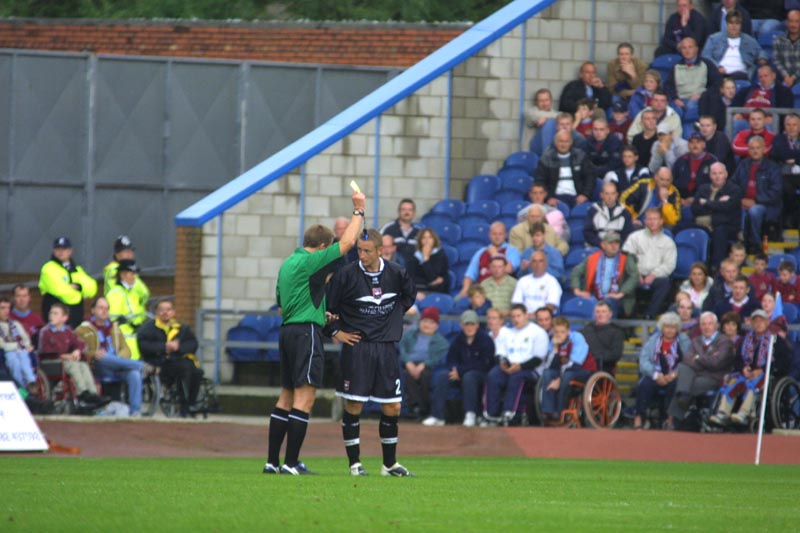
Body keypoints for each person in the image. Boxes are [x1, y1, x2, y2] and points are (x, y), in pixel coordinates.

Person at [258, 189, 365, 475]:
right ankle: (292, 463)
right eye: (325, 252)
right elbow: (348, 242)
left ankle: (272, 461)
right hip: (307, 333)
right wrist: (359, 210)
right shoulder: (309, 261)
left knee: (286, 396)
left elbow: (283, 304)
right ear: (320, 247)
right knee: (305, 398)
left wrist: (319, 313)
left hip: (288, 332)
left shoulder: (287, 265)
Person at [327, 228, 416, 477]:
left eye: (367, 251)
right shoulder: (346, 275)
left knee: (392, 408)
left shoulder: (397, 272)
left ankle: (389, 465)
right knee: (354, 404)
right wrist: (336, 332)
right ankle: (355, 464)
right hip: (358, 348)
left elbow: (409, 295)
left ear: (381, 251)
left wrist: (392, 318)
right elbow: (326, 308)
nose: (362, 254)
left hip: (386, 348)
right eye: (359, 250)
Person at [709, 309, 790, 426]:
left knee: (756, 382)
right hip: (746, 374)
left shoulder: (775, 340)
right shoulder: (745, 339)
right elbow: (737, 360)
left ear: (767, 322)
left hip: (768, 374)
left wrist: (763, 369)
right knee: (733, 380)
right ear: (751, 324)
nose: (758, 324)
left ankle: (744, 413)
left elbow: (783, 362)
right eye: (755, 321)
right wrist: (743, 368)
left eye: (761, 321)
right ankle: (723, 413)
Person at [423, 310, 495, 427]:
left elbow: (484, 363)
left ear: (477, 325)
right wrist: (454, 370)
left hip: (480, 375)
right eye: (467, 324)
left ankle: (470, 414)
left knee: (469, 377)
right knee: (442, 375)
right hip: (459, 373)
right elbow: (451, 359)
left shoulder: (486, 340)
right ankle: (437, 416)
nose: (469, 327)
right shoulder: (458, 340)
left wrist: (460, 371)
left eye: (472, 324)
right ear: (461, 325)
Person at [76, 296, 145, 417]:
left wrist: (118, 358)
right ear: (93, 310)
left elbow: (126, 350)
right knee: (104, 357)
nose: (104, 311)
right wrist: (93, 353)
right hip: (97, 366)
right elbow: (79, 350)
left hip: (117, 366)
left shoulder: (115, 328)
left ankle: (135, 412)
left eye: (107, 308)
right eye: (101, 308)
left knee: (134, 374)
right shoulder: (83, 329)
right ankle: (142, 366)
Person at [483, 304, 549, 425]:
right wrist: (502, 362)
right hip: (509, 367)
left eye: (518, 316)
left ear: (526, 315)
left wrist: (520, 367)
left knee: (517, 376)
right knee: (494, 374)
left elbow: (538, 358)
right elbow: (500, 352)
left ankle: (509, 413)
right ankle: (490, 414)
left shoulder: (538, 332)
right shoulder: (508, 332)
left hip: (531, 371)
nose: (515, 319)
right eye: (513, 316)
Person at [137, 299, 203, 418]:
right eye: (161, 310)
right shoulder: (147, 329)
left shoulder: (182, 328)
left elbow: (193, 343)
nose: (165, 312)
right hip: (160, 363)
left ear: (173, 312)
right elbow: (144, 345)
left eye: (168, 310)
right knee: (184, 369)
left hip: (179, 360)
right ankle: (184, 405)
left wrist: (178, 347)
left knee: (197, 372)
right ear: (156, 312)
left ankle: (191, 403)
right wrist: (164, 347)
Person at [668, 311, 735, 423]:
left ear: (716, 325)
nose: (706, 327)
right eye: (703, 324)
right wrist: (705, 360)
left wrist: (698, 358)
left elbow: (716, 363)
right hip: (695, 374)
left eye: (709, 324)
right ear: (700, 326)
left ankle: (674, 419)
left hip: (713, 377)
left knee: (683, 384)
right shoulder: (695, 341)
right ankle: (683, 398)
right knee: (683, 367)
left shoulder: (724, 341)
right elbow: (687, 359)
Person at [38, 302, 106, 408]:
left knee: (82, 365)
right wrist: (65, 356)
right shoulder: (45, 332)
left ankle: (93, 394)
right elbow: (45, 351)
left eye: (56, 314)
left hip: (66, 360)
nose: (51, 316)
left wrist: (77, 351)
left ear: (64, 318)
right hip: (51, 362)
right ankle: (82, 393)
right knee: (73, 365)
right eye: (51, 313)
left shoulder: (68, 331)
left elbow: (81, 344)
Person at [622, 208, 677, 319]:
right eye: (649, 219)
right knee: (625, 280)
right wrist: (636, 274)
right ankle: (629, 317)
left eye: (655, 219)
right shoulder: (634, 237)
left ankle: (649, 315)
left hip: (656, 277)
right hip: (635, 274)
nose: (652, 222)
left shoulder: (668, 242)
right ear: (645, 221)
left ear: (661, 221)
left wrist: (654, 274)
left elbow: (669, 264)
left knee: (665, 283)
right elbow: (626, 258)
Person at [539, 317, 595, 423]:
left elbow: (575, 364)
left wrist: (559, 379)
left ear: (568, 331)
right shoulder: (553, 341)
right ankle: (548, 411)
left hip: (583, 370)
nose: (559, 334)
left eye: (562, 332)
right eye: (556, 332)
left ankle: (560, 411)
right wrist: (555, 348)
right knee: (547, 373)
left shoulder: (577, 338)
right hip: (564, 371)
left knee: (567, 375)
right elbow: (549, 366)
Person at [731, 136, 783, 252]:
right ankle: (739, 243)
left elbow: (775, 192)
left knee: (755, 211)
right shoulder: (743, 165)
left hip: (767, 205)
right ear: (748, 150)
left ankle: (755, 244)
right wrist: (740, 199)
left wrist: (755, 200)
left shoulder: (773, 167)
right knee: (732, 207)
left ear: (764, 149)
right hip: (744, 202)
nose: (755, 151)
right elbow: (733, 185)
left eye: (758, 148)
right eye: (752, 148)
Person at [635, 312, 686, 429]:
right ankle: (639, 417)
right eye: (667, 327)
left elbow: (687, 361)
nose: (669, 330)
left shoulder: (684, 341)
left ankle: (669, 418)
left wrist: (673, 375)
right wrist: (655, 375)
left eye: (673, 327)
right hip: (655, 374)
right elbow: (644, 360)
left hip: (675, 375)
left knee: (674, 386)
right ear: (662, 328)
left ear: (677, 329)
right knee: (644, 384)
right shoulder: (653, 340)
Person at [571, 231, 639, 317]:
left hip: (617, 298)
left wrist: (621, 293)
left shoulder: (626, 258)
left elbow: (634, 276)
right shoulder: (593, 258)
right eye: (611, 243)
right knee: (588, 303)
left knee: (604, 305)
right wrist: (577, 290)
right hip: (594, 295)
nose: (614, 246)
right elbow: (576, 272)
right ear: (603, 245)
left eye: (617, 243)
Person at [399, 306, 449, 421]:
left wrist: (424, 364)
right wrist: (407, 361)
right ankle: (414, 407)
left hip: (428, 366)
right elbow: (402, 348)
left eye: (431, 322)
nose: (427, 325)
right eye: (425, 321)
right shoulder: (410, 334)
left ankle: (424, 408)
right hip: (409, 363)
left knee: (425, 375)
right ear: (420, 322)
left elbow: (438, 357)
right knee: (407, 375)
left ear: (436, 325)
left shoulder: (441, 342)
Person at [38, 236, 98, 329]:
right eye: (58, 249)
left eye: (64, 249)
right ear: (54, 251)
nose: (61, 252)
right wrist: (81, 294)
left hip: (75, 320)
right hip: (55, 323)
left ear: (70, 251)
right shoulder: (48, 268)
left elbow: (92, 288)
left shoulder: (77, 269)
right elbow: (61, 291)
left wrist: (79, 287)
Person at [691, 161, 743, 267]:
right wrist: (718, 204)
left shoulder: (734, 190)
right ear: (710, 175)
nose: (717, 176)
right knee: (680, 228)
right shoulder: (703, 188)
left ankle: (716, 268)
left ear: (726, 174)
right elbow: (694, 208)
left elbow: (728, 210)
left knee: (720, 230)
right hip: (704, 225)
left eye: (720, 173)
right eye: (714, 174)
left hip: (727, 227)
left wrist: (706, 203)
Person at [534, 130, 597, 208]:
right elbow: (540, 181)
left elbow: (590, 177)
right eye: (561, 141)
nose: (563, 144)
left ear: (571, 142)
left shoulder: (580, 156)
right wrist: (549, 198)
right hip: (555, 198)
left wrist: (585, 195)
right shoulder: (546, 158)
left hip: (577, 197)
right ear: (555, 142)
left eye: (566, 141)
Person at [665, 37, 722, 122]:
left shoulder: (706, 64)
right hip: (680, 100)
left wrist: (702, 95)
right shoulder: (676, 66)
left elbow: (717, 83)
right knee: (673, 112)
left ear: (696, 49)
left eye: (690, 47)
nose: (687, 50)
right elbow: (668, 85)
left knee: (692, 108)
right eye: (684, 48)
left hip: (699, 100)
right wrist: (675, 98)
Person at [459, 222, 521, 298]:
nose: (497, 237)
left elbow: (508, 269)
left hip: (503, 290)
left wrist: (494, 254)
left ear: (505, 235)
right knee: (458, 300)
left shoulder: (512, 251)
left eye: (500, 234)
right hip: (482, 291)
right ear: (489, 235)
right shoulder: (481, 252)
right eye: (494, 234)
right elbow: (470, 274)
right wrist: (465, 288)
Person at [701, 11, 767, 80]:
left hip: (741, 75)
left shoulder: (749, 40)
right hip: (720, 74)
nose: (734, 26)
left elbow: (760, 51)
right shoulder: (714, 38)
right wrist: (717, 66)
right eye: (731, 23)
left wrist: (762, 58)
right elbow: (705, 55)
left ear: (741, 25)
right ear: (726, 24)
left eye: (737, 23)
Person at [106, 259, 148, 361]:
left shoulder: (133, 293)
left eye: (135, 274)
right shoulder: (115, 294)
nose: (135, 277)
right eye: (131, 273)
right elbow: (113, 320)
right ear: (122, 275)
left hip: (136, 338)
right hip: (124, 341)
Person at [0, 296, 38, 395]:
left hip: (21, 351)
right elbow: (3, 345)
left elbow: (25, 338)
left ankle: (31, 382)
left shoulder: (15, 324)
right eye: (2, 308)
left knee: (23, 355)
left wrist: (26, 346)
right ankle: (20, 387)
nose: (6, 311)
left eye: (8, 308)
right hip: (6, 353)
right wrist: (18, 345)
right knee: (14, 360)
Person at [671, 133, 718, 205]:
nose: (695, 145)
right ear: (688, 145)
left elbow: (716, 184)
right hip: (680, 200)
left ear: (704, 144)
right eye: (692, 142)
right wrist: (678, 199)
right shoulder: (680, 160)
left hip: (703, 201)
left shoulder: (712, 161)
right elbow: (672, 181)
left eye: (698, 142)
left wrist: (696, 199)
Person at [771, 113, 800, 227]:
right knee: (786, 189)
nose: (791, 128)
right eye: (788, 125)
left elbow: (784, 154)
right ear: (784, 126)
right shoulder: (779, 138)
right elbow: (777, 153)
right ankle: (790, 217)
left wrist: (792, 158)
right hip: (785, 175)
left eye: (794, 124)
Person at [511, 251, 562, 315]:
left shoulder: (552, 282)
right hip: (524, 318)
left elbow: (551, 306)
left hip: (543, 319)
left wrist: (535, 315)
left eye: (540, 261)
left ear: (546, 264)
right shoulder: (522, 281)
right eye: (534, 261)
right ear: (530, 264)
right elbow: (517, 303)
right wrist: (524, 315)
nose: (537, 264)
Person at [103, 236, 151, 305]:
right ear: (117, 255)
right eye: (125, 251)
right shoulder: (113, 269)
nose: (129, 254)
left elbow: (145, 293)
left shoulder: (131, 269)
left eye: (130, 251)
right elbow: (120, 292)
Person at [581, 300, 626, 373]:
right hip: (583, 365)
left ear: (610, 314)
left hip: (603, 368)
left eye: (603, 311)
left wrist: (596, 357)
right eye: (597, 312)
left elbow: (616, 354)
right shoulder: (587, 329)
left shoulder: (617, 332)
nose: (600, 314)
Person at [407, 227, 449, 299]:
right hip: (418, 292)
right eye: (424, 238)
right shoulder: (414, 257)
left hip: (436, 293)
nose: (427, 240)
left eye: (430, 237)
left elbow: (433, 277)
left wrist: (425, 259)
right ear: (420, 241)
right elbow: (411, 279)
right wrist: (428, 283)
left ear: (434, 240)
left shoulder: (441, 256)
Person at [380, 198, 422, 264]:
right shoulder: (388, 229)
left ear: (414, 213)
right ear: (399, 211)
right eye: (404, 209)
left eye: (410, 210)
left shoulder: (420, 232)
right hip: (393, 271)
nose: (406, 212)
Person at [525, 88, 560, 154]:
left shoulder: (555, 114)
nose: (544, 103)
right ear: (536, 102)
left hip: (553, 145)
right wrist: (553, 118)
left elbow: (561, 116)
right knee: (550, 123)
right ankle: (547, 157)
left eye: (546, 100)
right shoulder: (532, 112)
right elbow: (534, 116)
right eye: (541, 101)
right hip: (533, 148)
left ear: (551, 101)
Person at [773, 9, 800, 88]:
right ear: (786, 22)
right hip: (784, 78)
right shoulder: (778, 39)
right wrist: (786, 76)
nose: (793, 25)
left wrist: (794, 77)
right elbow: (777, 61)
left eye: (797, 21)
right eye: (791, 21)